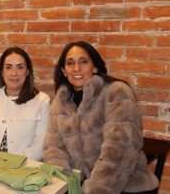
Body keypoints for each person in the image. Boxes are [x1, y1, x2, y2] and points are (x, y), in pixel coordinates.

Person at [43, 41, 159, 194]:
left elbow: (119, 152)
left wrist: (93, 190)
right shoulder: (60, 102)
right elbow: (53, 149)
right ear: (64, 71)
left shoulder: (117, 92)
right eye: (70, 63)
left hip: (125, 185)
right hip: (81, 185)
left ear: (95, 67)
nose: (76, 68)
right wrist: (67, 185)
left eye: (83, 62)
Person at [0, 47, 50, 161]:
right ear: (2, 72)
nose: (14, 73)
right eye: (8, 67)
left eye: (20, 67)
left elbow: (40, 144)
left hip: (22, 168)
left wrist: (16, 165)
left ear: (27, 72)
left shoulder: (42, 101)